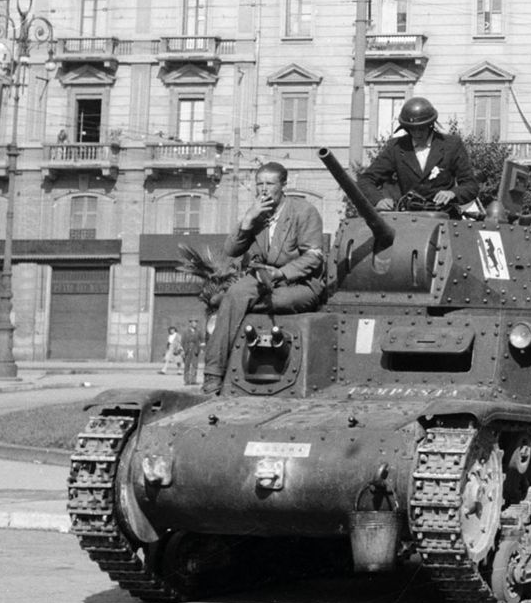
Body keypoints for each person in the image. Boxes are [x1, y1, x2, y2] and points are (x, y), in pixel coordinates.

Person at [201, 163, 328, 391]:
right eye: (259, 184)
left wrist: (281, 272)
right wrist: (248, 220)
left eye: (270, 184)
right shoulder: (257, 214)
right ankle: (213, 374)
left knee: (272, 301)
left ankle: (235, 308)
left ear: (283, 186)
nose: (264, 189)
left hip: (298, 281)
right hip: (261, 278)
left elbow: (313, 257)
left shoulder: (304, 211)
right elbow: (231, 250)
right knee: (234, 295)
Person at [359, 97, 480, 214]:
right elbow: (366, 180)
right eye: (412, 129)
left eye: (421, 128)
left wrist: (453, 193)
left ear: (430, 125)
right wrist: (378, 200)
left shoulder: (452, 145)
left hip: (445, 218)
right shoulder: (396, 147)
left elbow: (471, 185)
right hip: (408, 220)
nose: (417, 133)